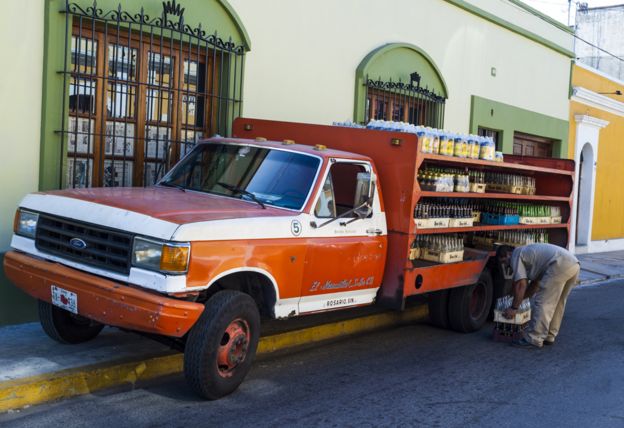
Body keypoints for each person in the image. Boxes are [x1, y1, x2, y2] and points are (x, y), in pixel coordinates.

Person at [498, 243, 580, 349]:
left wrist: (514, 308)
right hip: (574, 264)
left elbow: (521, 284)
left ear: (508, 254)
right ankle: (549, 336)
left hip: (559, 264)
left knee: (543, 302)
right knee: (558, 301)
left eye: (504, 261)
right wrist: (520, 301)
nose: (505, 265)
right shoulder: (528, 253)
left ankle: (534, 338)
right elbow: (535, 285)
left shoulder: (516, 254)